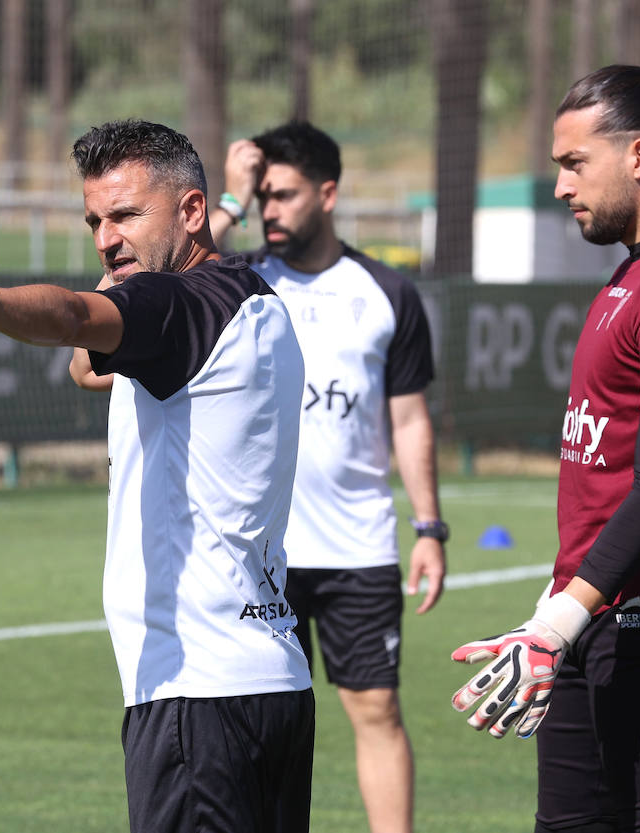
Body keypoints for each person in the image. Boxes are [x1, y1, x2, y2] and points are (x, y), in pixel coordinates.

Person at [0, 120, 315, 833]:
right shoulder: (245, 297)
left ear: (190, 210)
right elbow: (90, 363)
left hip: (195, 698)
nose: (105, 238)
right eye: (93, 220)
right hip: (274, 683)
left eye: (124, 216)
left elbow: (72, 317)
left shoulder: (172, 307)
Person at [449, 65, 640, 833]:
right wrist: (554, 610)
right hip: (599, 607)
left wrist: (558, 621)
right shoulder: (638, 273)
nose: (561, 187)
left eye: (573, 163)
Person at [205, 121, 443, 833]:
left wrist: (429, 526)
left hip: (356, 548)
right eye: (260, 196)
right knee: (261, 720)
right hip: (257, 556)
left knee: (377, 710)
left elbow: (409, 422)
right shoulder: (241, 281)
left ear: (329, 193)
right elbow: (167, 277)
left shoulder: (386, 292)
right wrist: (230, 198)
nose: (268, 209)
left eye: (281, 194)